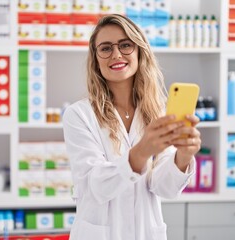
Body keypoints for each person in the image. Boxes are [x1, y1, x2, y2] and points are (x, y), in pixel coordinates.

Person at [62, 14, 201, 240]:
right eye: (105, 48)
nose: (116, 54)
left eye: (125, 45)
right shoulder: (79, 115)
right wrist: (141, 152)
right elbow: (95, 185)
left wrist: (183, 156)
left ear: (139, 51)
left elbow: (163, 188)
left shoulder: (158, 113)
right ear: (96, 59)